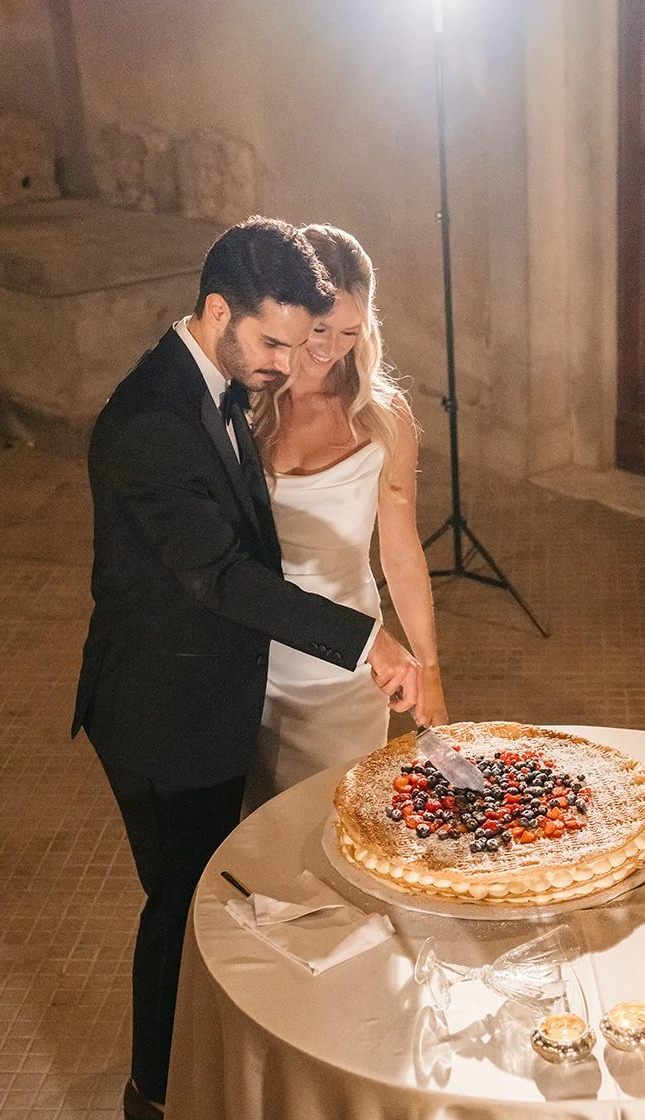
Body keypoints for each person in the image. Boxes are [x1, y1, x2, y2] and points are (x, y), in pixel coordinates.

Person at [71, 217, 423, 1120]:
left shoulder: (218, 384)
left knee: (234, 882)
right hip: (161, 705)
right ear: (217, 310)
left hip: (223, 685)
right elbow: (221, 576)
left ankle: (239, 1054)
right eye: (273, 340)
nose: (287, 360)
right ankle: (157, 1095)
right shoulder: (149, 421)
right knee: (183, 901)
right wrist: (367, 642)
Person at [244, 224, 446, 808]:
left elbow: (401, 551)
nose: (331, 349)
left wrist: (428, 670)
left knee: (342, 836)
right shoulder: (247, 401)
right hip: (254, 667)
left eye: (350, 332)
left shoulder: (384, 417)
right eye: (318, 328)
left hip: (348, 671)